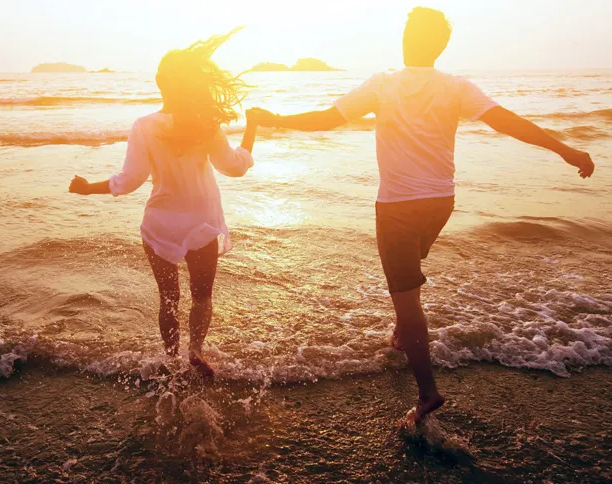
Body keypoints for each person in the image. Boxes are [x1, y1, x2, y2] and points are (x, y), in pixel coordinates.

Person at [249, 7, 595, 422]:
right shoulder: (456, 86)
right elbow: (507, 123)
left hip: (396, 206)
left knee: (407, 298)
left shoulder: (383, 83)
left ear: (405, 39)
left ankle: (427, 393)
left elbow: (327, 119)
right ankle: (402, 331)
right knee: (409, 276)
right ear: (441, 46)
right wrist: (566, 149)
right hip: (441, 203)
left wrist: (276, 120)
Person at [69, 28, 258, 377]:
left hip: (160, 225)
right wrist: (253, 130)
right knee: (201, 296)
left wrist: (86, 189)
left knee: (168, 298)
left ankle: (171, 362)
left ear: (160, 81)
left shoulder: (144, 126)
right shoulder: (205, 124)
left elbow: (129, 182)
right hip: (202, 223)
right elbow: (234, 168)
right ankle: (196, 350)